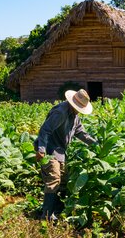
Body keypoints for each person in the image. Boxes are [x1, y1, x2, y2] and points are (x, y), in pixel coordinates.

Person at [34, 88, 98, 220]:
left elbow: (81, 133)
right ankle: (45, 216)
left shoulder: (74, 116)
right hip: (49, 150)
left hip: (60, 152)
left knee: (63, 181)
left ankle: (55, 211)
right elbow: (45, 130)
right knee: (54, 179)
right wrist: (41, 149)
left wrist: (97, 144)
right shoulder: (61, 112)